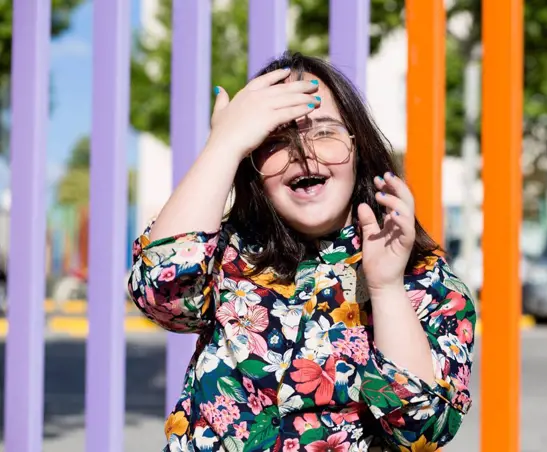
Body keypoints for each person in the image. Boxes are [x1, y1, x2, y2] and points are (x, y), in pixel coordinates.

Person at [128, 52, 476, 452]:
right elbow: (160, 293)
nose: (304, 153)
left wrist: (386, 288)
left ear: (358, 149)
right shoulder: (227, 255)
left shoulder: (427, 280)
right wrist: (222, 146)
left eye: (326, 133)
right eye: (276, 140)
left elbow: (423, 430)